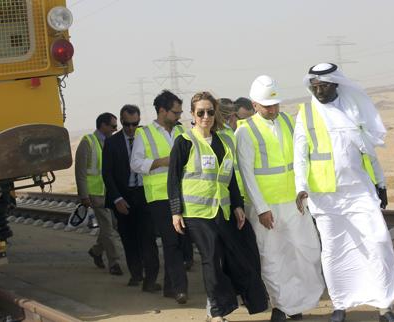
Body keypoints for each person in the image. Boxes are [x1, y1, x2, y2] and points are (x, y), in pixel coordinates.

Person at [294, 63, 394, 322]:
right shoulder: (306, 114)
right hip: (325, 196)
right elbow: (300, 156)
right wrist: (301, 188)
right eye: (315, 86)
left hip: (359, 191)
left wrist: (381, 182)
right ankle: (340, 305)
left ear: (336, 85)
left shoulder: (353, 109)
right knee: (334, 249)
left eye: (324, 85)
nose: (318, 90)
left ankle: (384, 306)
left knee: (377, 242)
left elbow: (369, 151)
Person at [168, 92, 268, 322]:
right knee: (211, 255)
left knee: (237, 254)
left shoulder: (223, 142)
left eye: (210, 112)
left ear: (215, 114)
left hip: (222, 211)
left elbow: (229, 177)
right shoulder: (184, 142)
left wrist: (237, 205)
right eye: (200, 112)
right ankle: (216, 312)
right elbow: (173, 180)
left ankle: (237, 302)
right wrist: (175, 212)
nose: (206, 116)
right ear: (192, 115)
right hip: (196, 213)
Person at [236, 75, 324, 322]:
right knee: (273, 258)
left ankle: (295, 305)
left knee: (304, 253)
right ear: (255, 104)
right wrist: (262, 208)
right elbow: (247, 173)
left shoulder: (287, 120)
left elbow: (300, 157)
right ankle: (281, 305)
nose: (272, 109)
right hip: (267, 209)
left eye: (275, 104)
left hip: (294, 204)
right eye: (267, 105)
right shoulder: (246, 131)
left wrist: (302, 190)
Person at [130, 90, 188, 303]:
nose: (179, 116)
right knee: (171, 241)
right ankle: (180, 289)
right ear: (162, 111)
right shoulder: (143, 134)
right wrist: (160, 162)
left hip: (183, 193)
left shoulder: (182, 130)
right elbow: (135, 163)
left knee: (182, 243)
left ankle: (170, 287)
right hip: (159, 197)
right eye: (175, 112)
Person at [102, 104, 160, 288]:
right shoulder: (112, 143)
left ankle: (150, 280)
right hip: (123, 196)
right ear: (121, 122)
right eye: (127, 124)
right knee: (129, 238)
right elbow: (107, 174)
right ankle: (136, 275)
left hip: (144, 195)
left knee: (148, 238)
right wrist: (117, 198)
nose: (131, 128)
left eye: (135, 124)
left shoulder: (147, 137)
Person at [75, 112, 122, 276]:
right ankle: (114, 262)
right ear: (103, 125)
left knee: (114, 226)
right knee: (108, 229)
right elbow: (80, 171)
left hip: (109, 192)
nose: (116, 130)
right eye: (113, 126)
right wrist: (84, 195)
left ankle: (96, 251)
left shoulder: (111, 142)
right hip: (95, 194)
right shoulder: (87, 142)